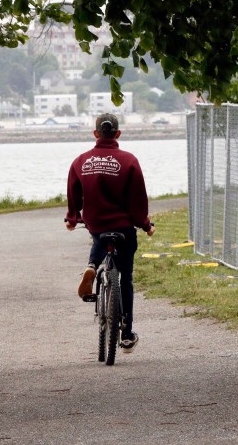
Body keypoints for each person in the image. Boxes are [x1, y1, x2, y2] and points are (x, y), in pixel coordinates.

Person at [64, 113, 155, 354]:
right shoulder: (129, 161)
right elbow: (138, 200)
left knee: (99, 237)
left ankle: (93, 265)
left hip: (96, 222)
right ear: (118, 134)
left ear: (95, 134)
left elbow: (73, 193)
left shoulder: (80, 161)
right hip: (123, 225)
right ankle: (126, 333)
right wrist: (145, 224)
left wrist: (73, 218)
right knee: (126, 277)